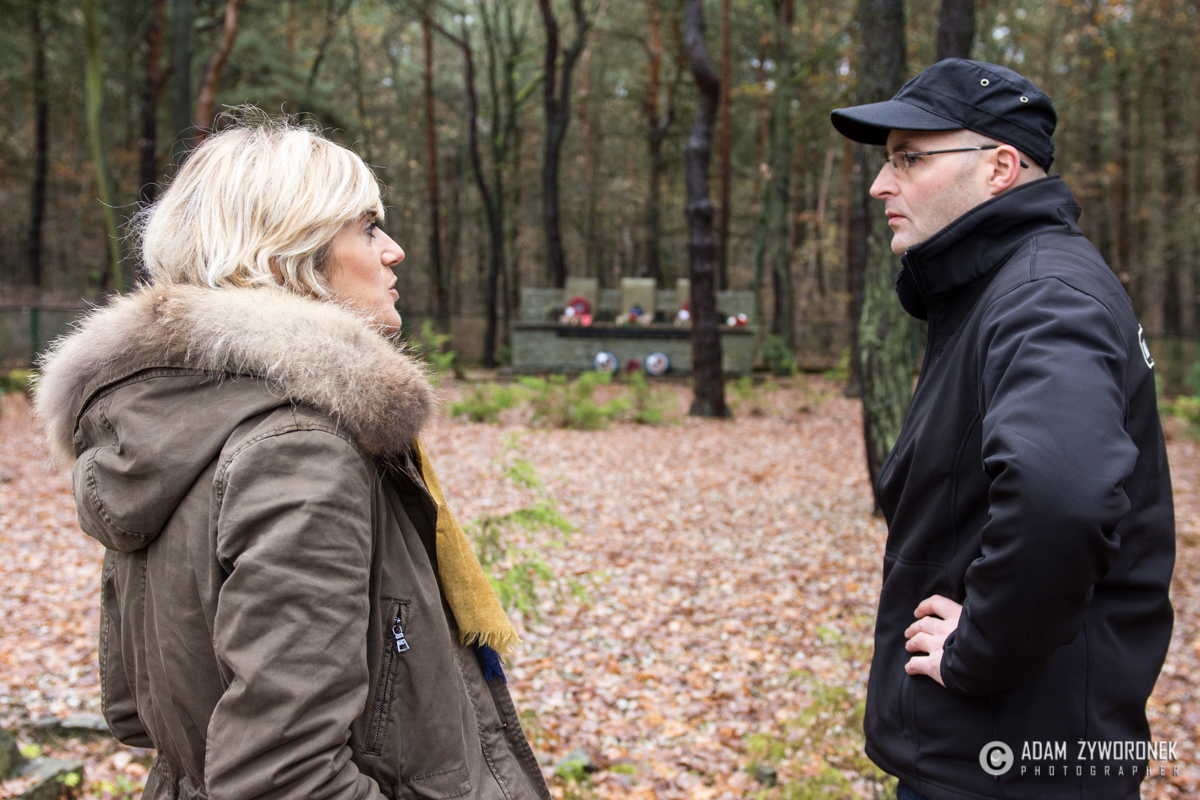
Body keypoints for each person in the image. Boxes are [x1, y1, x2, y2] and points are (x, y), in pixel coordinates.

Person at [34, 116, 551, 800]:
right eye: (368, 228)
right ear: (286, 254)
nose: (393, 251)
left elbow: (136, 708)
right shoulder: (297, 450)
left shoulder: (172, 425)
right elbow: (284, 777)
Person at [830, 59, 1175, 800]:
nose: (881, 184)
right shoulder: (1006, 287)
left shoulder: (1044, 297)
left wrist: (979, 651)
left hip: (1012, 761)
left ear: (1000, 168)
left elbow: (1063, 497)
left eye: (909, 159)